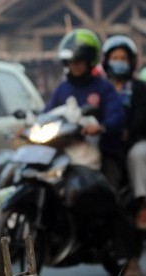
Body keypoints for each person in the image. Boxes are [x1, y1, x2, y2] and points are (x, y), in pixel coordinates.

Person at [45, 29, 125, 185]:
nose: (73, 66)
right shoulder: (63, 88)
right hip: (66, 148)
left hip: (102, 150)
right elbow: (47, 112)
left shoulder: (104, 88)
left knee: (105, 189)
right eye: (70, 62)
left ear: (89, 61)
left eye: (78, 61)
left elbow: (117, 116)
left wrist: (101, 127)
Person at [102, 35, 146, 233]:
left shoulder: (139, 89)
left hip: (134, 140)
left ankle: (142, 204)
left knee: (137, 155)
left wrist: (128, 132)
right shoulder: (102, 88)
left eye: (123, 58)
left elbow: (141, 117)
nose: (119, 62)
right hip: (106, 139)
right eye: (115, 58)